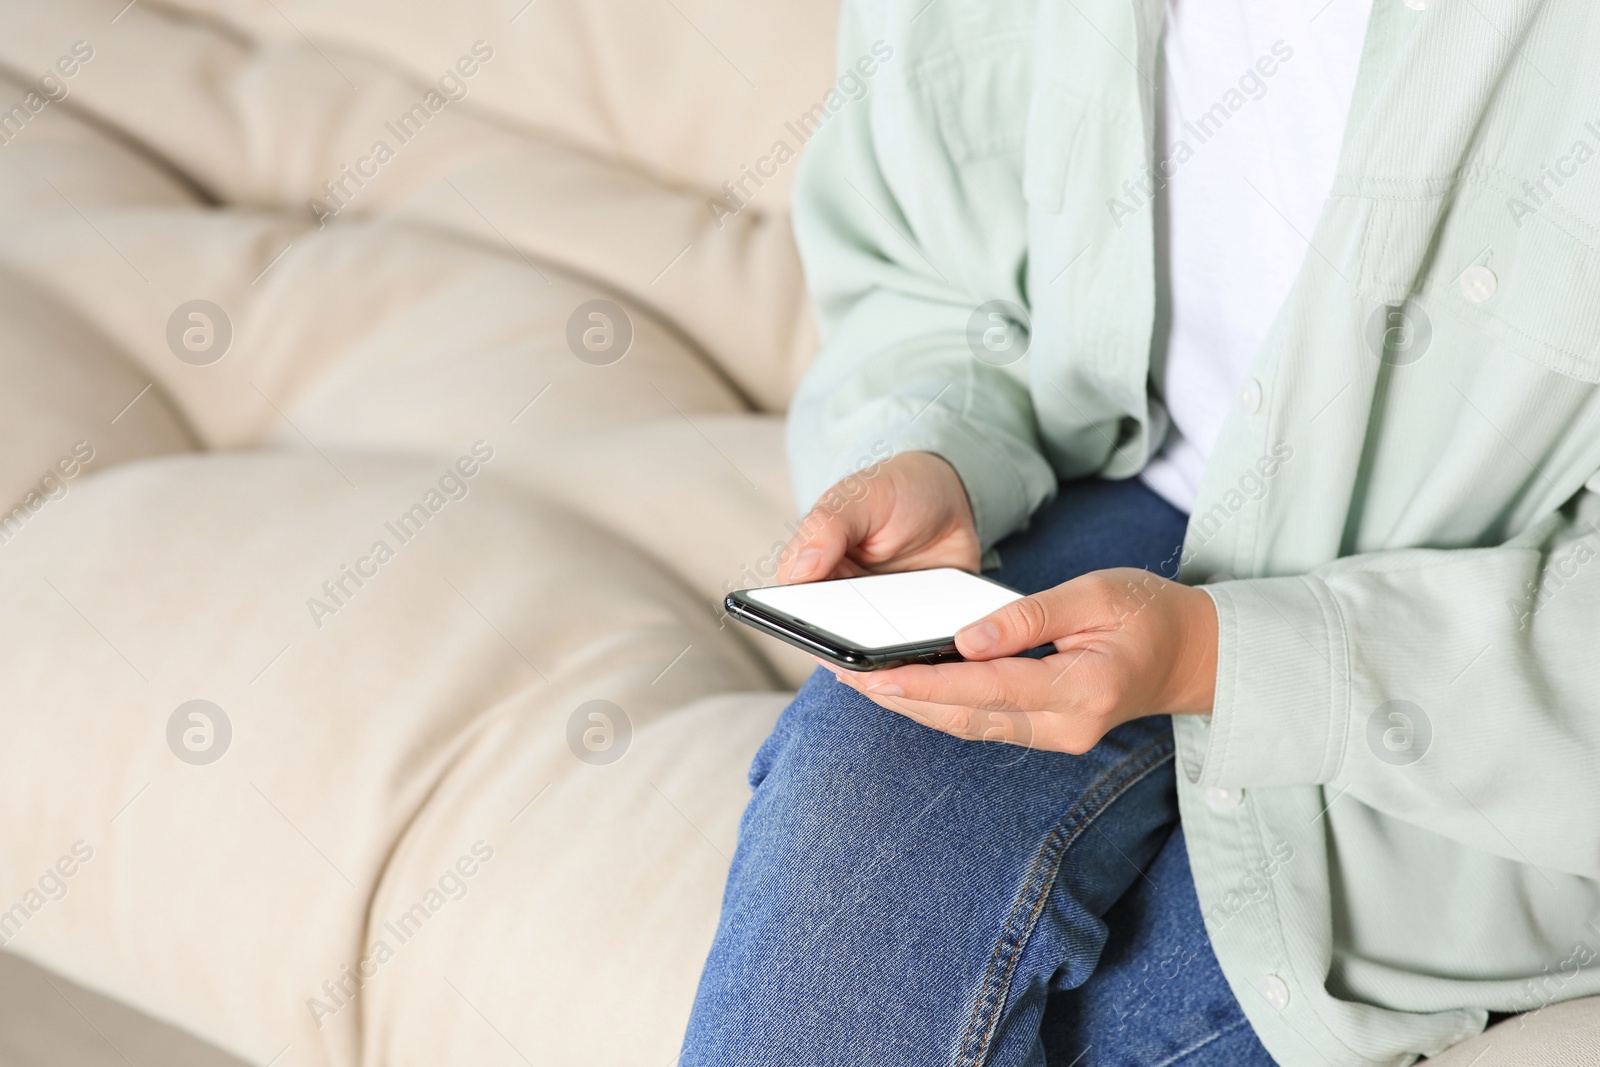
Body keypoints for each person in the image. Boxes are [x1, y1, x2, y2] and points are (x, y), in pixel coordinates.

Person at [682, 0, 1600, 1063]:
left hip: (1469, 686)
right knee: (867, 787)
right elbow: (922, 268)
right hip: (1111, 495)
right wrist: (940, 445)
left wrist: (1224, 655)